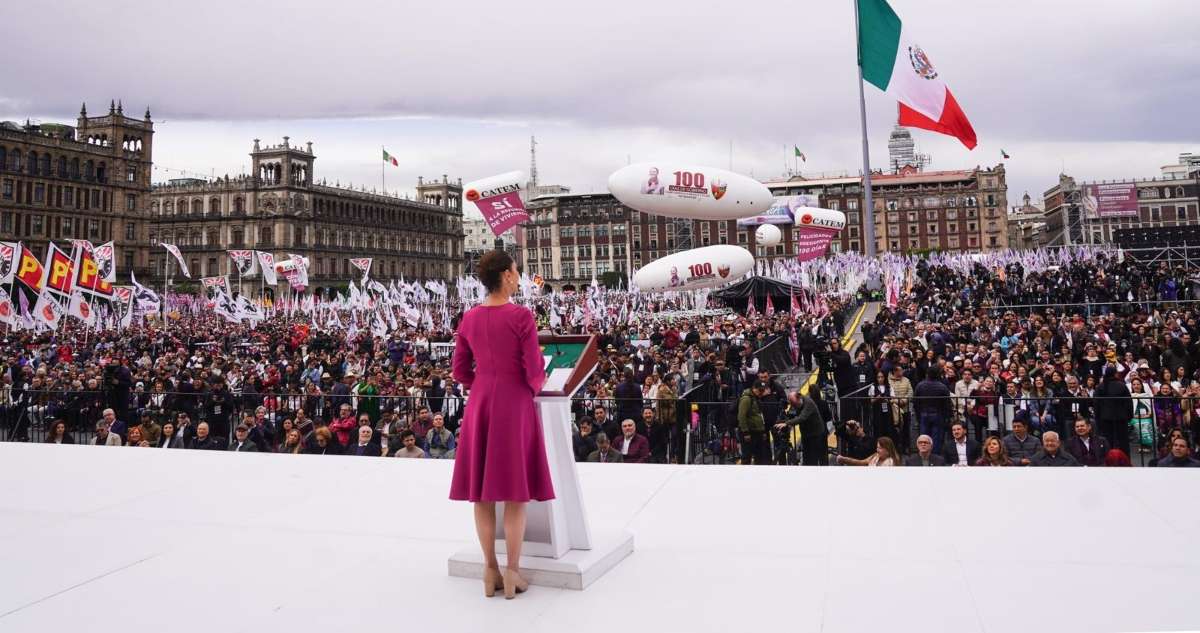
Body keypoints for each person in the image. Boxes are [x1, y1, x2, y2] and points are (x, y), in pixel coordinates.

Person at [448, 250, 553, 599]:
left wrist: (479, 384)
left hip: (480, 403)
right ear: (506, 276)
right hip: (514, 403)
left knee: (481, 494)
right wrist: (536, 384)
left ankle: (489, 567)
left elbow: (460, 369)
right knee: (514, 493)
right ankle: (512, 573)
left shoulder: (470, 318)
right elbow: (533, 368)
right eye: (516, 270)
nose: (519, 275)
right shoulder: (521, 316)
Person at [777, 390, 827, 466]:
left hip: (815, 434)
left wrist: (786, 423)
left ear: (799, 398)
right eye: (792, 404)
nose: (794, 406)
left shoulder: (808, 403)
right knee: (806, 456)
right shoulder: (796, 402)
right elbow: (792, 414)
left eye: (794, 404)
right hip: (806, 433)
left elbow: (802, 418)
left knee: (813, 458)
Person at [737, 381, 769, 465]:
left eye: (763, 391)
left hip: (757, 431)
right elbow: (741, 416)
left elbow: (759, 415)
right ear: (754, 388)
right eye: (760, 390)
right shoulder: (746, 399)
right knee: (747, 456)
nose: (761, 393)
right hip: (749, 432)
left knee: (759, 455)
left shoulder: (756, 398)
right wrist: (745, 432)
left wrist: (762, 431)